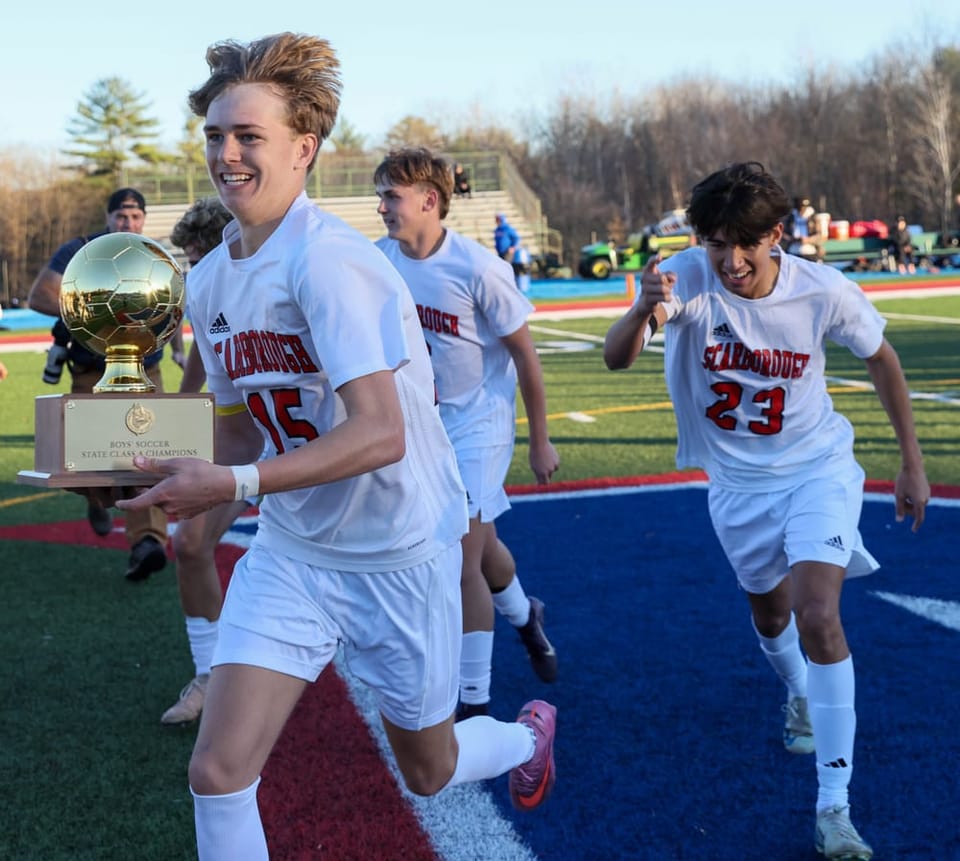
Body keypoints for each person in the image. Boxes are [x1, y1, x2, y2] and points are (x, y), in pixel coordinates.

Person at [116, 33, 557, 859]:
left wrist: (237, 482)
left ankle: (530, 737)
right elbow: (242, 420)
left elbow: (380, 432)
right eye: (216, 136)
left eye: (249, 136)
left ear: (304, 148)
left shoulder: (331, 264)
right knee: (217, 769)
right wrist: (132, 453)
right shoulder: (211, 279)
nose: (228, 154)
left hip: (398, 554)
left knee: (429, 767)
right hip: (294, 552)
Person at [603, 161, 928, 861]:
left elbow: (883, 359)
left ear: (776, 234)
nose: (731, 259)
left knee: (818, 613)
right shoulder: (686, 276)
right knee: (771, 616)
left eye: (744, 243)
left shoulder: (822, 289)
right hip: (737, 485)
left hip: (817, 469)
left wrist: (912, 460)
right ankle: (798, 691)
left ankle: (833, 807)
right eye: (716, 242)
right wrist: (639, 307)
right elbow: (616, 358)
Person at [374, 147, 560, 721]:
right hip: (422, 423)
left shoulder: (478, 267)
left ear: (429, 201)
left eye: (391, 196)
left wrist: (540, 438)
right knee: (482, 549)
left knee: (460, 559)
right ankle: (526, 617)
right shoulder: (379, 261)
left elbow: (526, 359)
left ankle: (474, 704)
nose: (381, 207)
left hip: (479, 423)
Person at [26, 188, 173, 581]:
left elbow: (171, 307)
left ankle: (148, 541)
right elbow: (38, 294)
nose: (129, 223)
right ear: (108, 218)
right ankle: (95, 499)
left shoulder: (152, 253)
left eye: (136, 217)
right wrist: (90, 312)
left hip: (146, 371)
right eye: (122, 216)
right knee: (91, 461)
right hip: (91, 371)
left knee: (147, 457)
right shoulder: (82, 250)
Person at [160, 197, 252, 726]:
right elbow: (208, 340)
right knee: (190, 541)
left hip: (313, 445)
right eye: (190, 259)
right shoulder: (205, 286)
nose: (197, 268)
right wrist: (185, 398)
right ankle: (210, 672)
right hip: (246, 436)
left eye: (203, 254)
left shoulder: (282, 275)